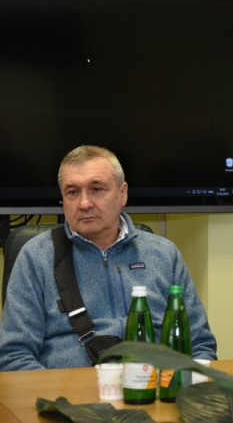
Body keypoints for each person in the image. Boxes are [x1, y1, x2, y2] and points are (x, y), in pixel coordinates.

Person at [0, 145, 217, 370]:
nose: (84, 203)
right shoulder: (36, 256)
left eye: (97, 189)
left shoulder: (164, 254)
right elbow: (14, 355)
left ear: (122, 193)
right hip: (71, 388)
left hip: (157, 386)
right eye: (72, 192)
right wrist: (64, 392)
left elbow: (200, 345)